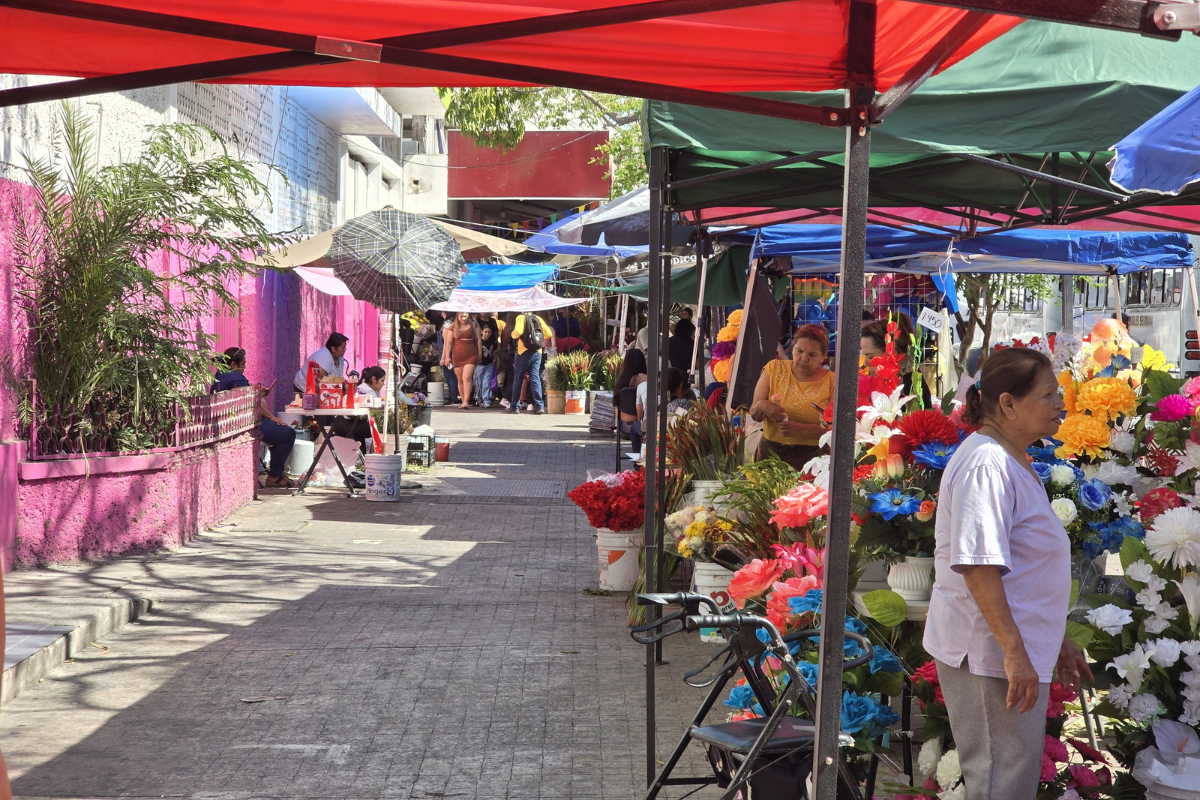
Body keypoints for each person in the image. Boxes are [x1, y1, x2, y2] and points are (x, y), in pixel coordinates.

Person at [923, 348, 1090, 800]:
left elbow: (1024, 569)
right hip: (989, 652)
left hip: (1006, 648)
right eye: (1049, 394)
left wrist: (1053, 640)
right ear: (1008, 404)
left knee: (1008, 777)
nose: (1060, 403)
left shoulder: (1008, 456)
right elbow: (978, 566)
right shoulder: (987, 464)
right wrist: (1014, 652)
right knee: (998, 781)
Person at [748, 323, 834, 471]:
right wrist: (762, 405)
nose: (804, 358)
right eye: (799, 351)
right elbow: (755, 415)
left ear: (823, 356)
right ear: (792, 349)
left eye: (812, 354)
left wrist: (802, 430)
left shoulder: (832, 381)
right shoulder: (774, 369)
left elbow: (836, 431)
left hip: (815, 462)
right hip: (771, 459)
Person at [215, 347, 297, 489]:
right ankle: (275, 476)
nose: (244, 368)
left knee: (280, 434)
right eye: (243, 365)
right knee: (288, 433)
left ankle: (275, 470)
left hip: (228, 422)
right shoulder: (236, 377)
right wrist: (272, 417)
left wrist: (257, 392)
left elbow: (242, 397)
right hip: (244, 423)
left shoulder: (220, 376)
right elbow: (251, 403)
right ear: (234, 365)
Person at [862, 315, 933, 408]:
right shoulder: (884, 385)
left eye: (870, 357)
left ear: (891, 353)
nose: (865, 363)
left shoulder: (911, 391)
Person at [506, 311, 553, 414]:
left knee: (518, 378)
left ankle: (514, 406)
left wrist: (513, 335)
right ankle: (539, 406)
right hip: (537, 352)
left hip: (523, 352)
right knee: (535, 378)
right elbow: (549, 333)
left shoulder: (521, 318)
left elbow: (517, 332)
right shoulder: (538, 318)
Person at [443, 312, 481, 410]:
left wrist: (480, 354)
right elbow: (448, 342)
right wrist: (447, 357)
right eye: (460, 316)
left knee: (467, 377)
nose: (462, 319)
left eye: (464, 316)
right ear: (457, 316)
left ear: (468, 315)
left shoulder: (474, 324)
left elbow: (479, 339)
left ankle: (465, 401)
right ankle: (463, 400)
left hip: (471, 355)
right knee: (460, 379)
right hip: (457, 356)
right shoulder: (453, 326)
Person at [613, 348, 648, 449]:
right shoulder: (646, 379)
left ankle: (637, 461)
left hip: (624, 421)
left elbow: (616, 404)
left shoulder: (622, 381)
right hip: (643, 420)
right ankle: (638, 462)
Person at [476, 325, 498, 408]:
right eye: (485, 332)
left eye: (489, 332)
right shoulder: (479, 341)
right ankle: (479, 399)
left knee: (486, 382)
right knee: (479, 383)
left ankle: (487, 400)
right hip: (479, 365)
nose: (487, 334)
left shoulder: (492, 341)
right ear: (482, 331)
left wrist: (494, 358)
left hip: (489, 364)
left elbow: (494, 350)